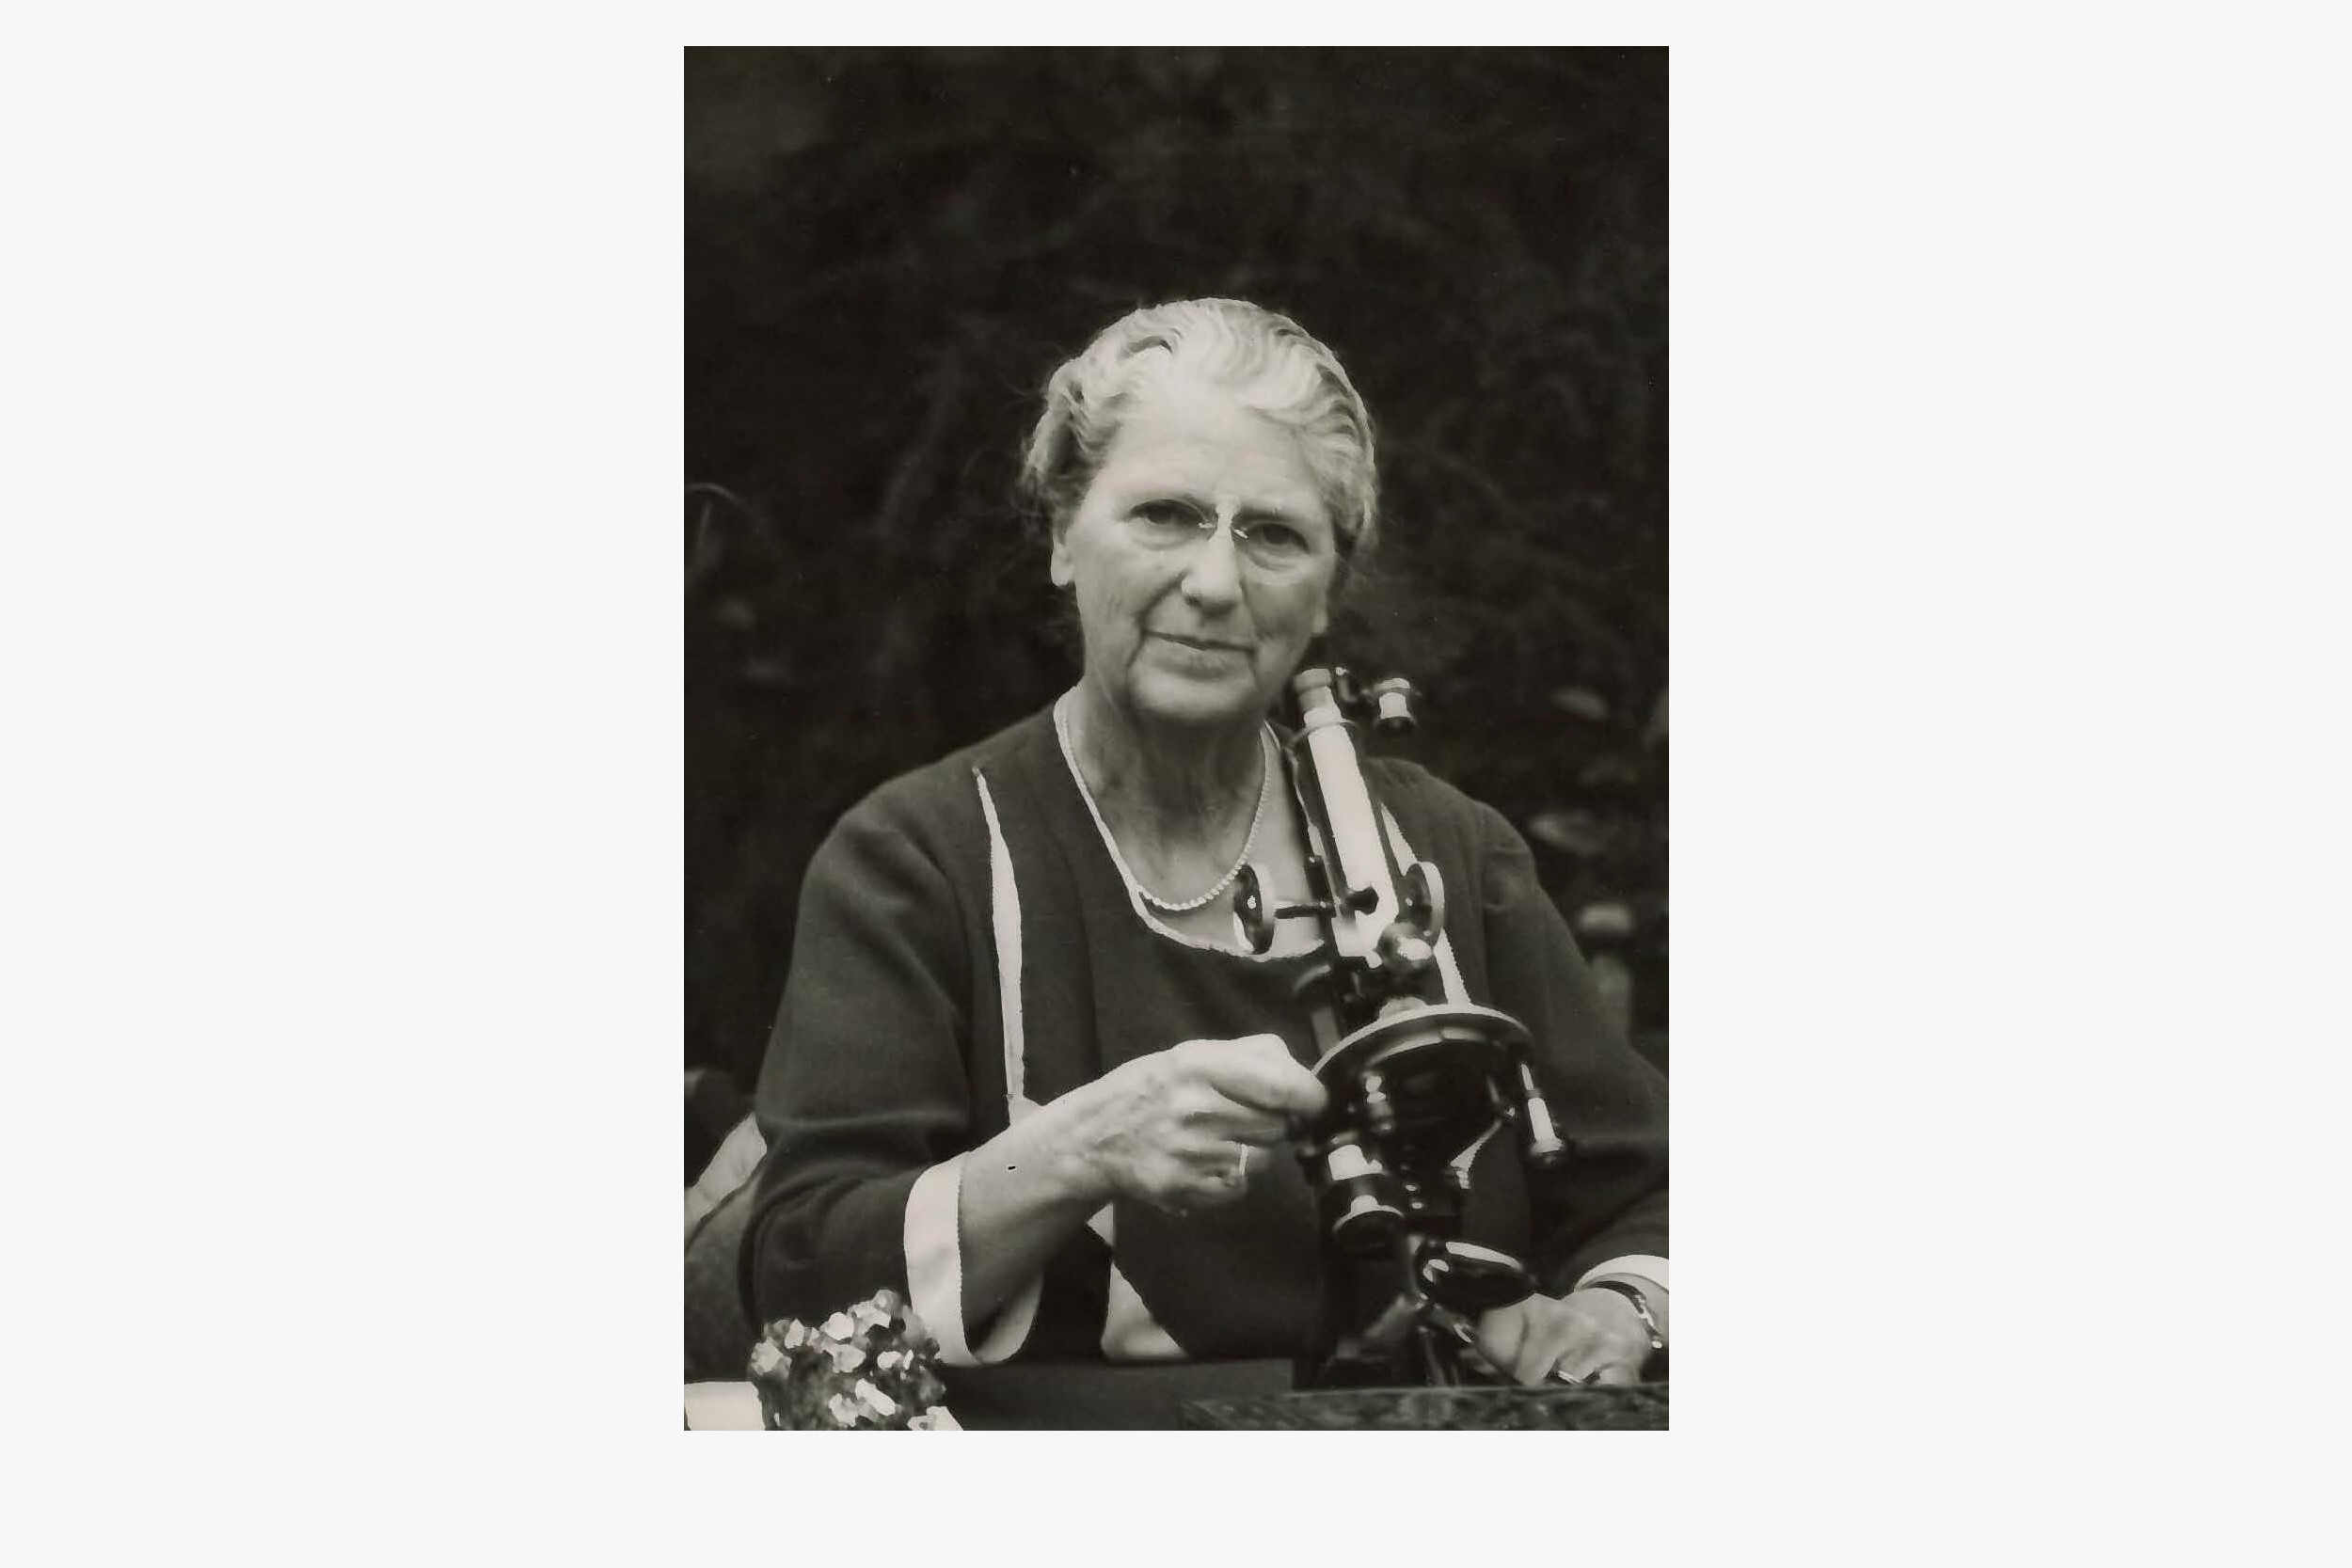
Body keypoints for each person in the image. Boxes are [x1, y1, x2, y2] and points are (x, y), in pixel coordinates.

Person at [738, 298, 1667, 1386]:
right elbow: (803, 1284)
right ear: (1060, 540)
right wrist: (1078, 1150)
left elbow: (1646, 1191)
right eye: (1166, 515)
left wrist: (1623, 1305)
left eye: (1273, 533)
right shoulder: (923, 859)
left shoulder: (1450, 858)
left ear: (1326, 593)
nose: (1216, 581)